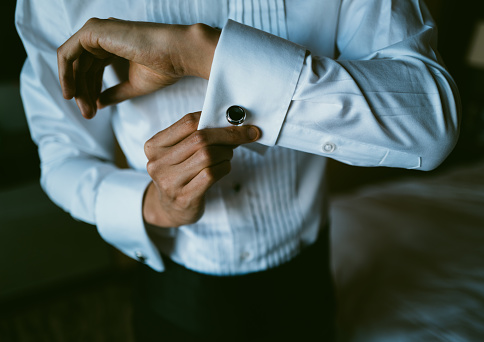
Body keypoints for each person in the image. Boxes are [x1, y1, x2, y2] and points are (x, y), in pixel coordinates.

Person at [15, 0, 460, 340]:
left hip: (307, 279)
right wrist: (153, 206)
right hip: (176, 290)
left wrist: (203, 55)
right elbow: (61, 157)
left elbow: (430, 123)